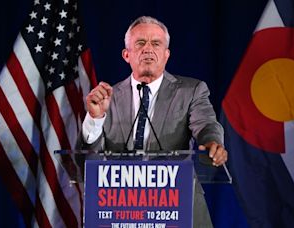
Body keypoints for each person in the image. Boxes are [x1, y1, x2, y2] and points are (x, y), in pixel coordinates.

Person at [77, 16, 227, 227]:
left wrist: (211, 143)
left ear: (166, 55)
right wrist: (95, 118)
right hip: (121, 210)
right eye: (140, 43)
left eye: (156, 43)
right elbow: (86, 162)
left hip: (176, 206)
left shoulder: (191, 91)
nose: (148, 49)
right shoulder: (106, 97)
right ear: (126, 55)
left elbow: (206, 124)